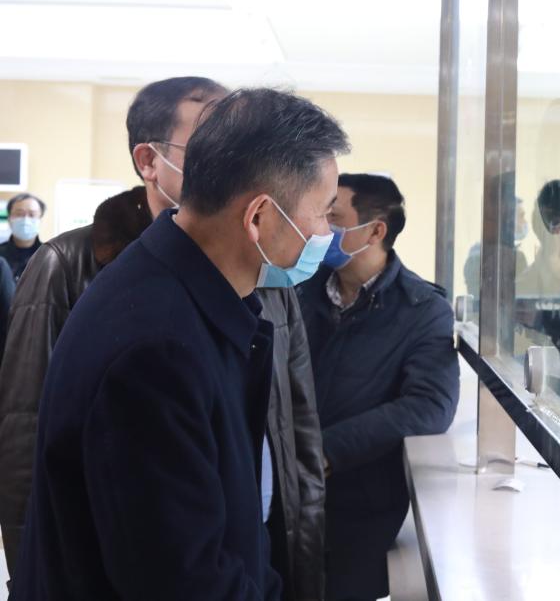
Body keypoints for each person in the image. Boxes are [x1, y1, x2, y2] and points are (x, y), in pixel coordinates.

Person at [0, 79, 332, 601]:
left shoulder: (199, 298)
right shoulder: (156, 348)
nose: (328, 232)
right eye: (324, 210)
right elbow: (183, 578)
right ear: (259, 217)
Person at [298, 174, 459, 601]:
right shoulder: (298, 290)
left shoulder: (422, 310)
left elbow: (429, 406)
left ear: (374, 231)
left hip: (359, 513)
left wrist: (328, 450)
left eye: (333, 218)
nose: (320, 228)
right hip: (286, 499)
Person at [0, 194, 45, 281]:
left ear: (40, 220)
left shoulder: (50, 256)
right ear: (9, 219)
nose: (25, 219)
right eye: (19, 214)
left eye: (32, 215)